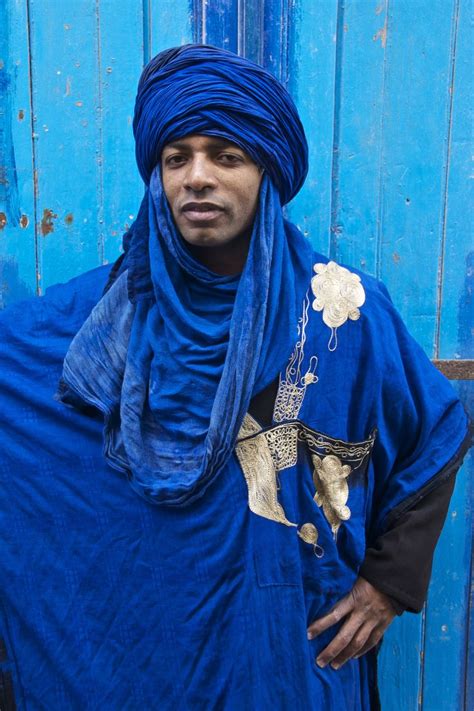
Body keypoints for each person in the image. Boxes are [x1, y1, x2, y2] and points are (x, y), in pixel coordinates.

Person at [0, 44, 471, 711]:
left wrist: (389, 582)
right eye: (176, 157)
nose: (198, 177)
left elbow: (437, 429)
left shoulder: (343, 313)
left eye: (227, 156)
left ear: (266, 172)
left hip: (285, 655)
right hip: (144, 658)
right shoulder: (89, 329)